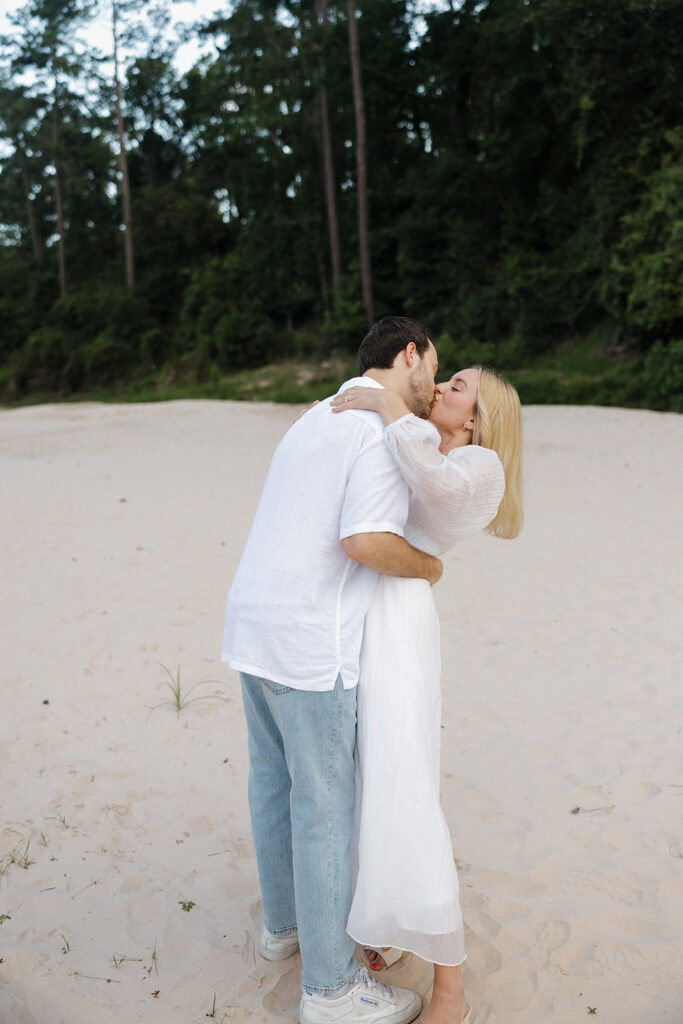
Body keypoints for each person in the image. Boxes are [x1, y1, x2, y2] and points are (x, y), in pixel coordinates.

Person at [221, 318, 444, 1024]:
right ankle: (329, 988)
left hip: (252, 624)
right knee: (323, 806)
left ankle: (283, 928)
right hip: (309, 640)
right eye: (432, 366)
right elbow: (364, 541)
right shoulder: (372, 431)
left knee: (273, 786)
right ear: (407, 354)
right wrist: (428, 566)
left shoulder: (314, 416)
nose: (434, 383)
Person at [330, 364, 523, 1024]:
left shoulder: (478, 469)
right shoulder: (421, 446)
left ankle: (451, 988)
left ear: (475, 419)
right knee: (366, 778)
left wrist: (390, 407)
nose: (441, 388)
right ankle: (377, 923)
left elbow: (435, 493)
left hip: (401, 623)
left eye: (458, 387)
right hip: (365, 613)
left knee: (405, 786)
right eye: (446, 380)